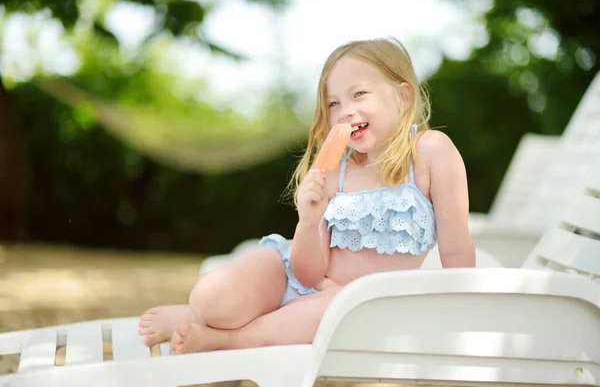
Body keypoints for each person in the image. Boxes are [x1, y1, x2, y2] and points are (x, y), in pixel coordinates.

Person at [137, 37, 476, 355]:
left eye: (359, 94)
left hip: (356, 303)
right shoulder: (334, 169)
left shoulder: (431, 153)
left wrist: (460, 311)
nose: (345, 110)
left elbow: (457, 246)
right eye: (334, 102)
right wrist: (309, 220)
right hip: (295, 271)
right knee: (213, 298)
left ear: (402, 97)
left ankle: (219, 339)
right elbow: (307, 275)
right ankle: (198, 314)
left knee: (328, 313)